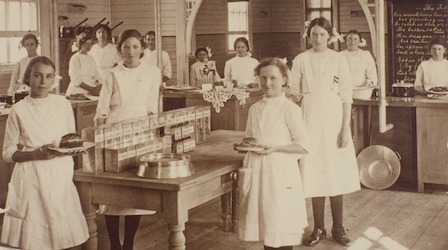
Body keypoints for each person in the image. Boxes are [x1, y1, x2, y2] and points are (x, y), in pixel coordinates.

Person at [1, 56, 89, 249]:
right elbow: (7, 153)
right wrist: (35, 154)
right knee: (35, 239)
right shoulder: (19, 110)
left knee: (63, 234)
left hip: (59, 173)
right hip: (32, 176)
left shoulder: (63, 104)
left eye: (48, 76)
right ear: (28, 79)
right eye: (37, 75)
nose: (43, 81)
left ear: (53, 80)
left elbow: (67, 139)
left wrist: (71, 150)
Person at [290, 17, 360, 247]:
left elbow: (346, 95)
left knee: (334, 172)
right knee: (314, 173)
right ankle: (318, 227)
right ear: (308, 36)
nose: (318, 39)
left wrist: (344, 129)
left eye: (322, 34)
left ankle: (338, 227)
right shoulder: (300, 60)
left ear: (329, 36)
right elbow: (295, 94)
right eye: (314, 34)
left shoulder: (338, 59)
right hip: (309, 120)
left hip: (333, 121)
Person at [95, 29, 162, 250]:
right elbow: (102, 108)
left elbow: (153, 105)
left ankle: (129, 244)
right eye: (126, 47)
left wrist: (151, 133)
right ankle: (114, 243)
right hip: (115, 132)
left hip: (141, 132)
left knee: (136, 192)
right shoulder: (112, 74)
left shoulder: (153, 72)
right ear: (120, 49)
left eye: (135, 46)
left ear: (142, 48)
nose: (130, 51)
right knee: (113, 193)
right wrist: (101, 131)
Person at [238, 58, 309, 250]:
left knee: (280, 224)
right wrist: (246, 145)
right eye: (263, 78)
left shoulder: (290, 109)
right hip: (257, 168)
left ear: (284, 80)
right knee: (265, 222)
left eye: (273, 78)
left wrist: (275, 148)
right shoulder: (254, 108)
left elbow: (303, 146)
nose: (267, 83)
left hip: (280, 171)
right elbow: (250, 138)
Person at [66, 32, 103, 97]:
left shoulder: (91, 57)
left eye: (90, 43)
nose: (88, 46)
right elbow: (75, 79)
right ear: (80, 44)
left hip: (90, 90)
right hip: (77, 91)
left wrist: (100, 86)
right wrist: (92, 89)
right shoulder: (75, 58)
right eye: (86, 43)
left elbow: (97, 75)